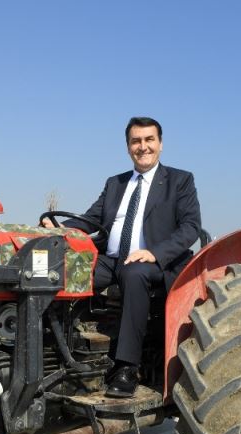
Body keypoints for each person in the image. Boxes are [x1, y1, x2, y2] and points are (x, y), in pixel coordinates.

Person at [43, 116, 201, 397]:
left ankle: (127, 367)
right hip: (112, 259)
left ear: (160, 144)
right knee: (62, 269)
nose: (143, 146)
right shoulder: (115, 183)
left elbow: (190, 227)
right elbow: (91, 219)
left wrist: (154, 253)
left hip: (155, 263)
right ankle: (54, 351)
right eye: (136, 141)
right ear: (128, 147)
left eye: (149, 139)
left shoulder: (180, 180)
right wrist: (59, 229)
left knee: (134, 272)